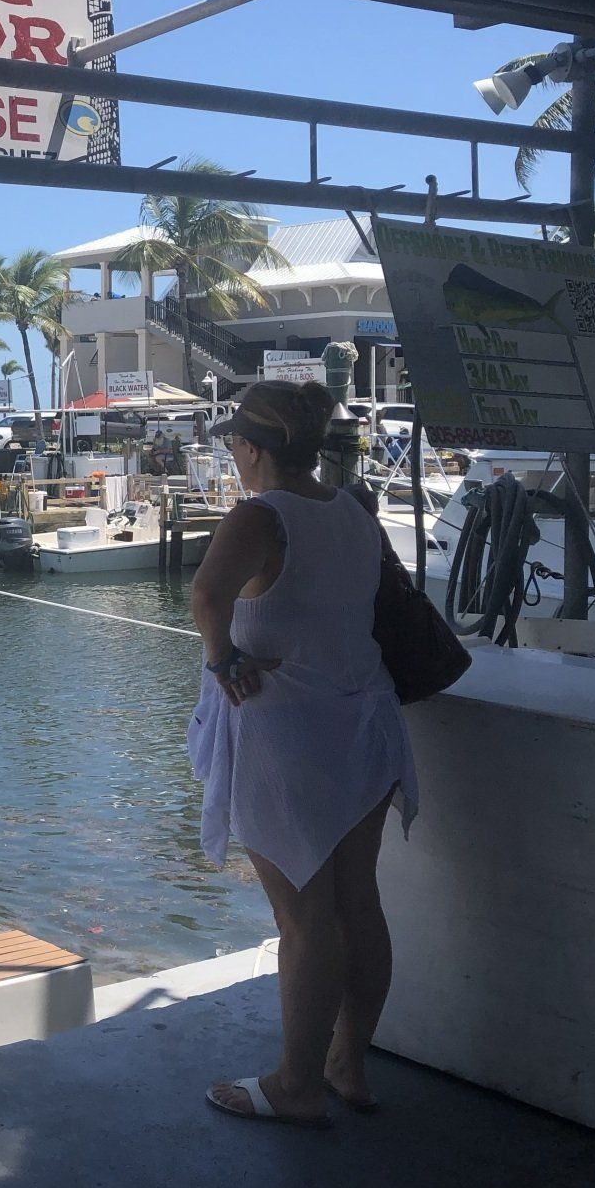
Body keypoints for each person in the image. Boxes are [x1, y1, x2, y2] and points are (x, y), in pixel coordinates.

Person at [188, 380, 419, 1130]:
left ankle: (295, 1085)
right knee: (359, 901)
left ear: (253, 448)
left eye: (233, 442)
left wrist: (224, 659)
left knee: (304, 917)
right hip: (362, 718)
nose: (231, 453)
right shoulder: (352, 508)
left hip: (287, 732)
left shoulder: (261, 515)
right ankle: (348, 1062)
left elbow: (207, 595)